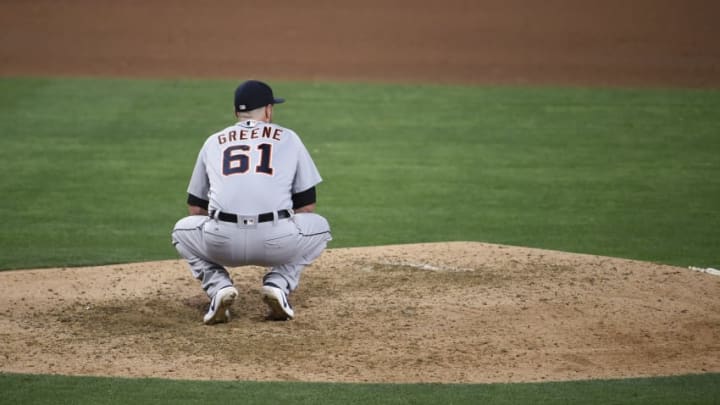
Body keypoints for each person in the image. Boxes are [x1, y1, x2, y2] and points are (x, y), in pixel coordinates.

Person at [171, 80, 332, 325]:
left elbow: (195, 209)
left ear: (237, 112)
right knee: (320, 227)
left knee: (181, 231)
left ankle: (218, 287)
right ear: (268, 110)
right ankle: (278, 284)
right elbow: (307, 207)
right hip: (277, 242)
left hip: (222, 243)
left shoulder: (213, 141)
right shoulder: (289, 138)